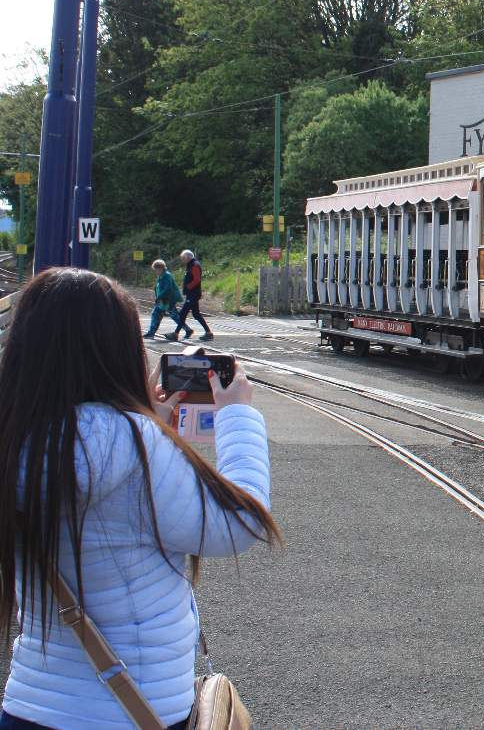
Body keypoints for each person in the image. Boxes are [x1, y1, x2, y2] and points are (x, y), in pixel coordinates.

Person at [0, 268, 280, 729]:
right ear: (116, 349)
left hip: (32, 707)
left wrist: (153, 427)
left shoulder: (13, 439)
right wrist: (236, 416)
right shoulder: (136, 444)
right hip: (135, 710)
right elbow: (238, 526)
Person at [165, 249, 212, 342]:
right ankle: (208, 332)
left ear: (188, 257)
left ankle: (176, 333)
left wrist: (188, 287)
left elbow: (197, 279)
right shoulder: (191, 265)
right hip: (192, 294)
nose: (182, 260)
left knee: (183, 313)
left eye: (183, 258)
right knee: (196, 314)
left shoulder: (194, 265)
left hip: (193, 294)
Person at [142, 258, 184, 339]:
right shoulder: (161, 276)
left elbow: (167, 289)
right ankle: (151, 333)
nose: (155, 271)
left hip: (168, 299)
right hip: (163, 300)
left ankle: (188, 330)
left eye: (156, 269)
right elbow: (158, 288)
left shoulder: (167, 276)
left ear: (161, 268)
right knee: (156, 314)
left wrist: (159, 297)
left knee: (174, 316)